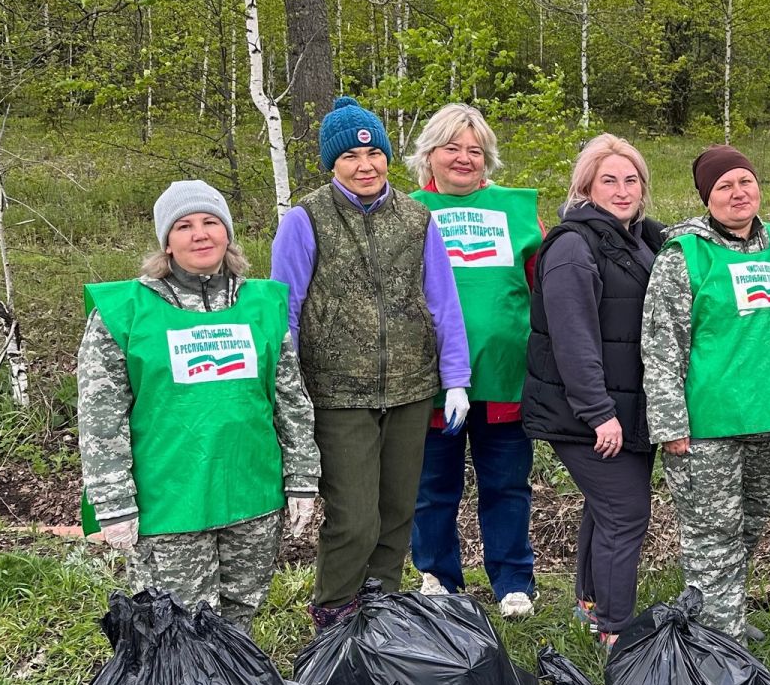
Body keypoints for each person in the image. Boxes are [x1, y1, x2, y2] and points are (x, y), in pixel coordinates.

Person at [77, 181, 318, 627]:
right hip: (170, 504)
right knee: (180, 624)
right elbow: (101, 416)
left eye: (210, 222)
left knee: (240, 617)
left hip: (252, 494)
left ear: (227, 233)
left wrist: (302, 479)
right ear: (166, 242)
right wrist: (113, 503)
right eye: (184, 226)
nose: (200, 234)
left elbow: (291, 399)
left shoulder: (261, 304)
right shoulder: (125, 312)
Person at [271, 97, 472, 628]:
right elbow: (284, 309)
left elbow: (442, 300)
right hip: (337, 393)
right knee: (354, 517)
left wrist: (455, 380)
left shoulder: (415, 217)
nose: (366, 166)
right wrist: (285, 385)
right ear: (332, 164)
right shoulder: (305, 219)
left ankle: (380, 609)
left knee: (397, 512)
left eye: (375, 154)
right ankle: (335, 612)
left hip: (410, 388)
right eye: (351, 159)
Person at [641, 144, 770, 642]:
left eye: (745, 181)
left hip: (768, 415)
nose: (738, 193)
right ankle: (721, 645)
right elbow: (661, 341)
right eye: (723, 187)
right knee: (712, 537)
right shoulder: (685, 254)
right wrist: (670, 423)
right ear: (706, 198)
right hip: (705, 425)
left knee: (749, 527)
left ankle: (718, 617)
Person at [524, 133, 665, 647]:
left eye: (632, 180)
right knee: (625, 513)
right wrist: (598, 411)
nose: (623, 189)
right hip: (588, 411)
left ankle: (590, 606)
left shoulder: (642, 238)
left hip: (629, 404)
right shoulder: (572, 246)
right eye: (609, 179)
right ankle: (616, 633)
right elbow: (573, 334)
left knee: (605, 509)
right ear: (586, 186)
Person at [406, 103, 542, 619]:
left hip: (505, 376)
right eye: (452, 148)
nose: (464, 158)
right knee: (432, 486)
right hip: (429, 380)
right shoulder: (407, 211)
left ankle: (513, 579)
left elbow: (541, 284)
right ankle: (438, 576)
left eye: (475, 150)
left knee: (506, 481)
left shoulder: (517, 210)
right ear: (429, 156)